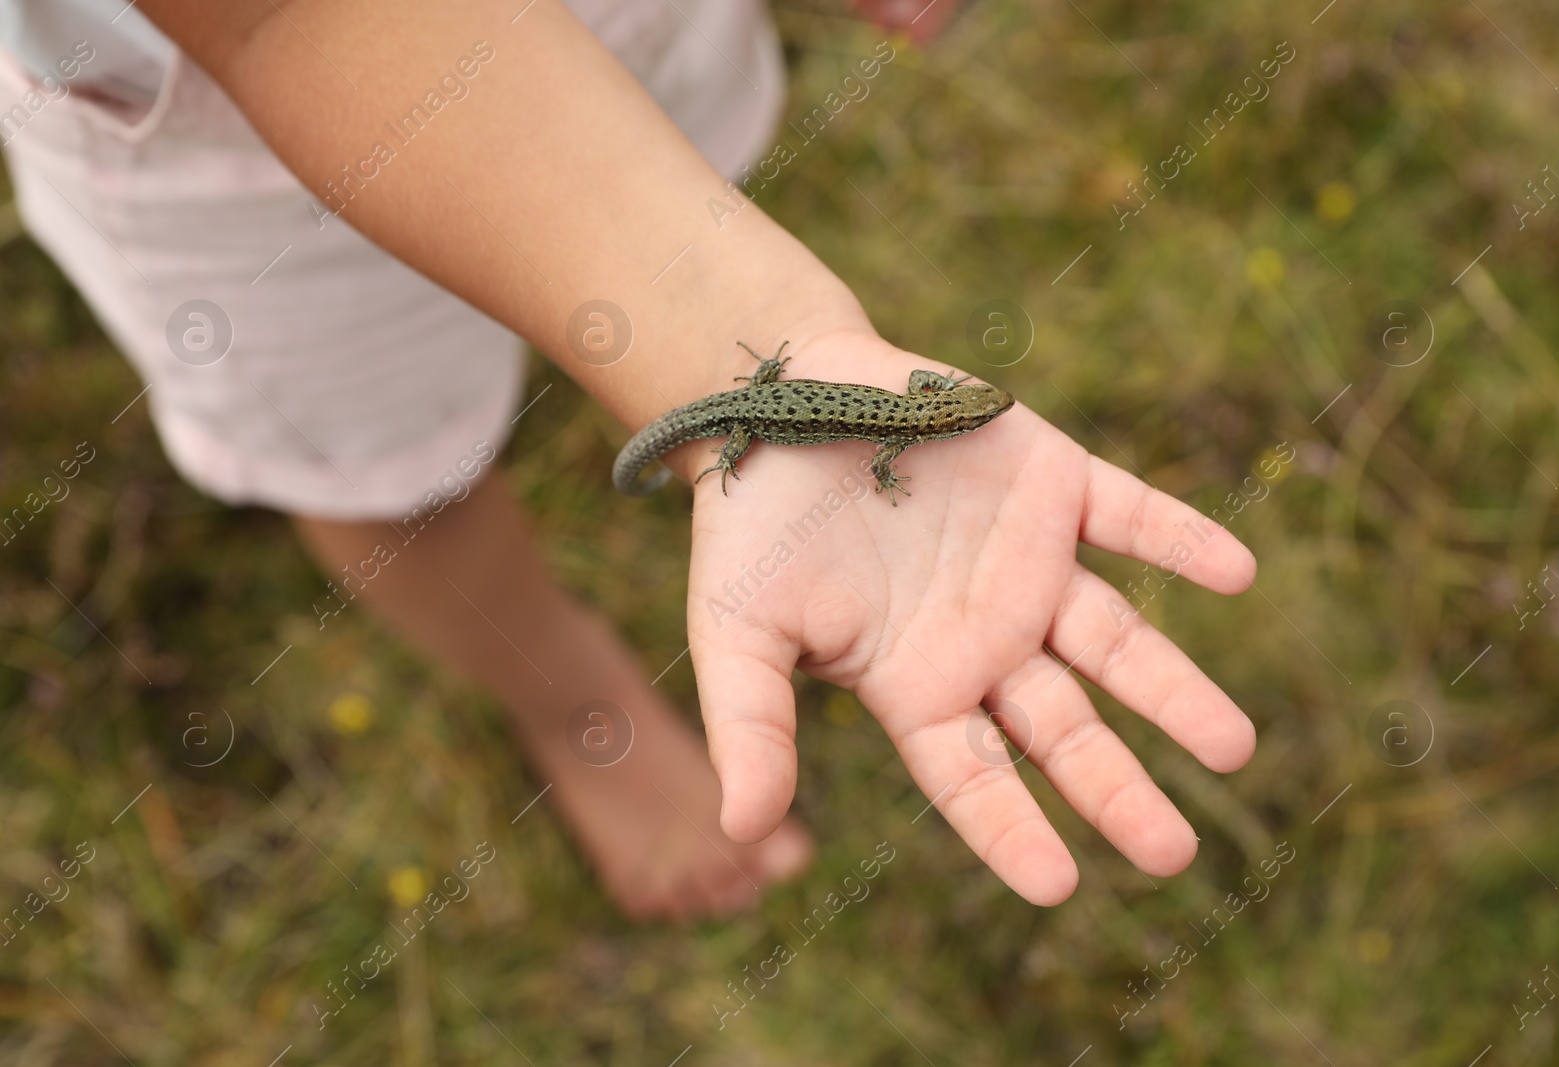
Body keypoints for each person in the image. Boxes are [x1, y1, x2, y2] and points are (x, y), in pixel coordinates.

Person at [0, 0, 1259, 920]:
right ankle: (565, 696)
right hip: (230, 146)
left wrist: (731, 346)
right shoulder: (910, 423)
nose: (960, 412)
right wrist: (743, 377)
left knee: (679, 182)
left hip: (628, 40)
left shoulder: (919, 414)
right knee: (381, 473)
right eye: (959, 411)